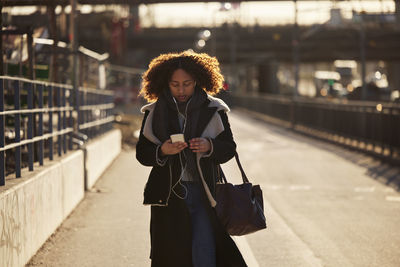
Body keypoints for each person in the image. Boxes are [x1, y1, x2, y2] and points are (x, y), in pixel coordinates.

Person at [136, 51, 247, 267]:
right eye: (175, 84)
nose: (181, 89)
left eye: (186, 83)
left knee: (205, 248)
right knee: (172, 254)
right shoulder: (153, 112)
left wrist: (209, 146)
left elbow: (229, 148)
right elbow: (142, 153)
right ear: (165, 83)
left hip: (205, 192)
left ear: (197, 80)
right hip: (168, 194)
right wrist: (162, 151)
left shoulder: (214, 109)